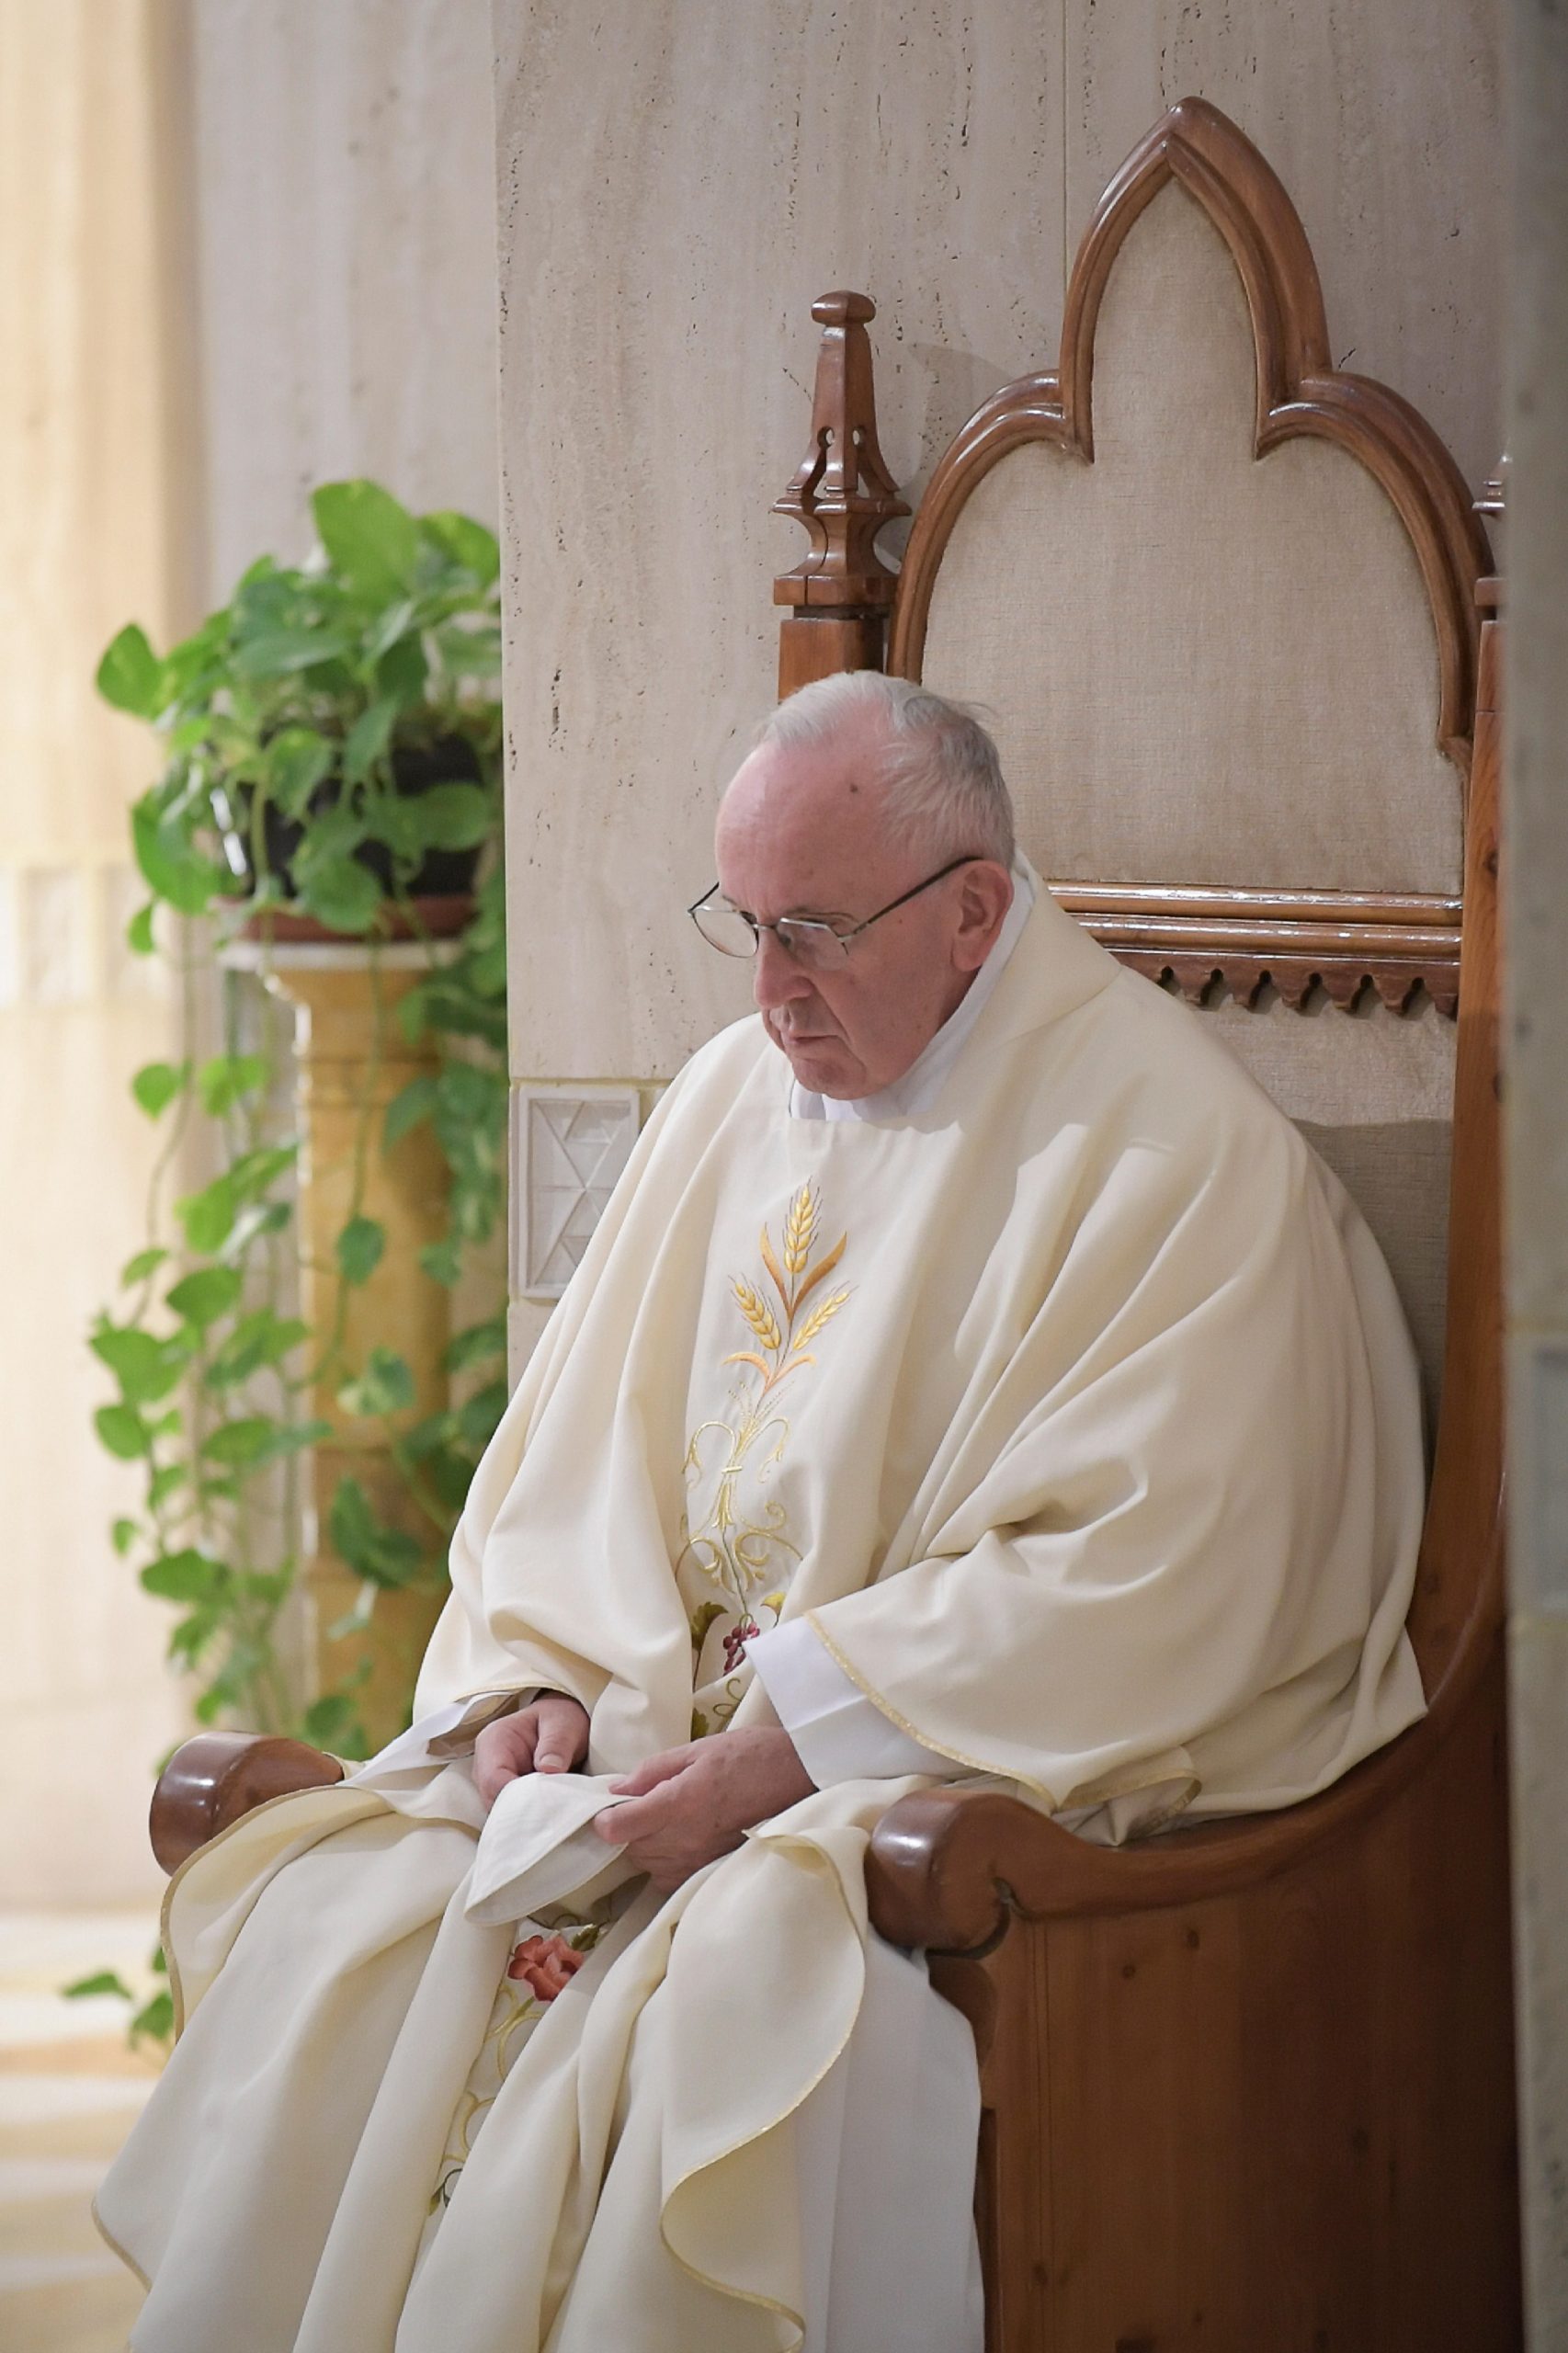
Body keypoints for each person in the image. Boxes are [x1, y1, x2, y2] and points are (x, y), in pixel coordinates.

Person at [97, 672, 1426, 2353]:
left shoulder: (1177, 1168)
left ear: (973, 915)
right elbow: (573, 1462)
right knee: (346, 1920)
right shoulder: (736, 1092)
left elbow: (1160, 1577)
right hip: (648, 1762)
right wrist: (545, 1686)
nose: (769, 987)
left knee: (738, 2004)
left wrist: (772, 1758)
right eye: (745, 919)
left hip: (888, 1803)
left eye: (813, 931)